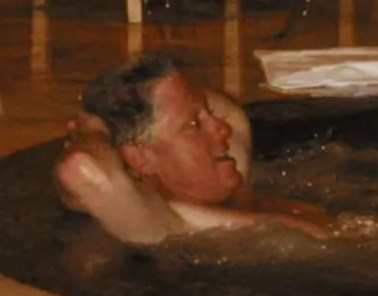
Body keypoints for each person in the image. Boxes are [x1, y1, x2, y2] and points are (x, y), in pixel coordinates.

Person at [55, 52, 336, 248]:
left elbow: (229, 111)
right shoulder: (164, 223)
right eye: (193, 124)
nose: (221, 128)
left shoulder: (229, 180)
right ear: (141, 158)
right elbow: (81, 169)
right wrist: (93, 127)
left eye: (207, 113)